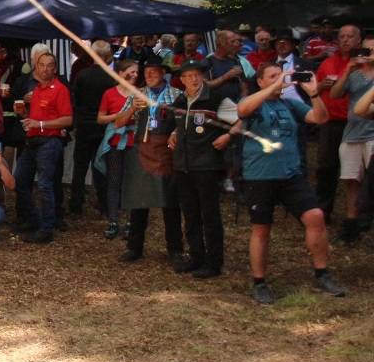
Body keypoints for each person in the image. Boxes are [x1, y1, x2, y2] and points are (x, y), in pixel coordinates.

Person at [238, 62, 345, 303]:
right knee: (261, 228)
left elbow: (321, 118)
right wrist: (273, 86)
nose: (280, 79)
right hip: (260, 176)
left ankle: (321, 274)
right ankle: (259, 282)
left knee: (315, 216)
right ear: (260, 81)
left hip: (291, 175)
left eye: (281, 75)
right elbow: (242, 109)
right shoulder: (255, 102)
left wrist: (314, 93)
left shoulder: (290, 104)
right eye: (273, 76)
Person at [168, 59, 238, 279]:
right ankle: (196, 255)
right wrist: (174, 133)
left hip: (206, 165)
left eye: (198, 74)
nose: (194, 79)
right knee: (190, 213)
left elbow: (242, 118)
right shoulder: (180, 100)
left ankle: (214, 261)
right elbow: (180, 125)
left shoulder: (215, 98)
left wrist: (228, 136)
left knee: (210, 215)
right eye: (189, 75)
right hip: (183, 165)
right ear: (182, 79)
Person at [117, 56, 185, 266]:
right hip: (142, 150)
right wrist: (132, 109)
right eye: (146, 72)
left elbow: (185, 122)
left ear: (163, 73)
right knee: (139, 200)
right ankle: (134, 247)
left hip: (166, 152)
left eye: (153, 72)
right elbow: (118, 123)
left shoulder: (177, 95)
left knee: (170, 202)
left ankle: (175, 250)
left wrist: (176, 132)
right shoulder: (137, 94)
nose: (149, 76)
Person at [12, 52, 73, 244]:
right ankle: (34, 220)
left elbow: (68, 119)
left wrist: (39, 124)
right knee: (19, 180)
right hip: (32, 141)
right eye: (41, 65)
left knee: (45, 185)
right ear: (36, 67)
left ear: (55, 69)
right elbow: (34, 118)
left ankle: (46, 229)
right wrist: (24, 113)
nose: (45, 69)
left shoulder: (60, 89)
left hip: (49, 141)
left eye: (49, 66)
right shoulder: (37, 89)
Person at [328, 36, 374, 243]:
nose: (368, 52)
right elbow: (334, 94)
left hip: (371, 133)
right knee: (350, 180)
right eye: (365, 49)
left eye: (372, 49)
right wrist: (347, 69)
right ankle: (351, 227)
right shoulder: (355, 74)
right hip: (352, 133)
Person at [315, 24, 362, 223]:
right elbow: (314, 89)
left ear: (358, 40)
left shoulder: (363, 64)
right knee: (326, 167)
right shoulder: (327, 63)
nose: (345, 40)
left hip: (356, 123)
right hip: (330, 122)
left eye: (350, 36)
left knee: (356, 171)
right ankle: (323, 211)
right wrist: (321, 85)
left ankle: (360, 213)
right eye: (342, 36)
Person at [69, 41, 116, 218]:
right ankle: (104, 206)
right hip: (103, 127)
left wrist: (76, 123)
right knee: (101, 168)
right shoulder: (111, 77)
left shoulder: (82, 75)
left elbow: (75, 101)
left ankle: (76, 206)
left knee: (79, 169)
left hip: (84, 126)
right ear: (107, 55)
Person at [95, 59, 141, 239]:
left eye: (136, 72)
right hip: (115, 141)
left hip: (133, 141)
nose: (135, 75)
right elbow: (100, 118)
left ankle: (131, 221)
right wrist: (119, 116)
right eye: (132, 71)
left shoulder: (139, 93)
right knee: (114, 181)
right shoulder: (109, 94)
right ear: (121, 73)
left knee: (131, 182)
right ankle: (113, 220)